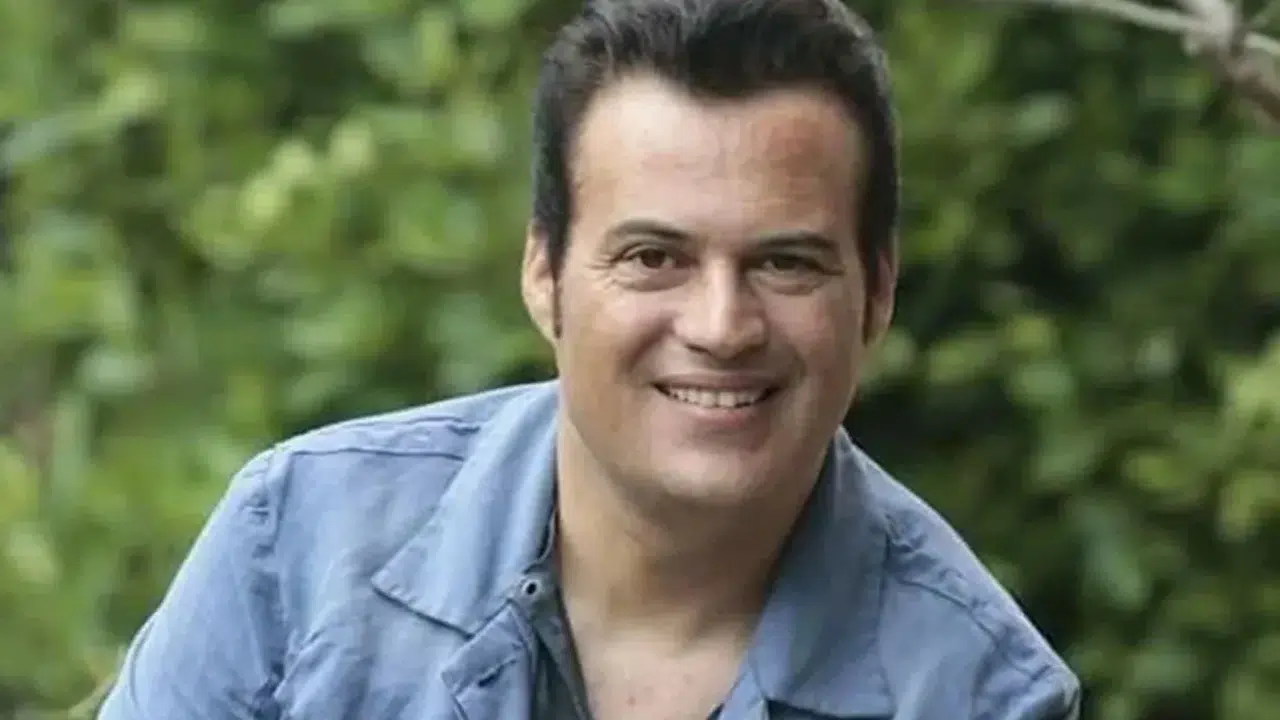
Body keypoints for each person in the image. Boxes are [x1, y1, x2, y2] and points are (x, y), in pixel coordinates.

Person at [97, 1, 1083, 718]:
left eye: (784, 262)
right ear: (544, 274)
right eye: (653, 257)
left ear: (876, 293)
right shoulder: (299, 540)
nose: (721, 325)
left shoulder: (977, 693)